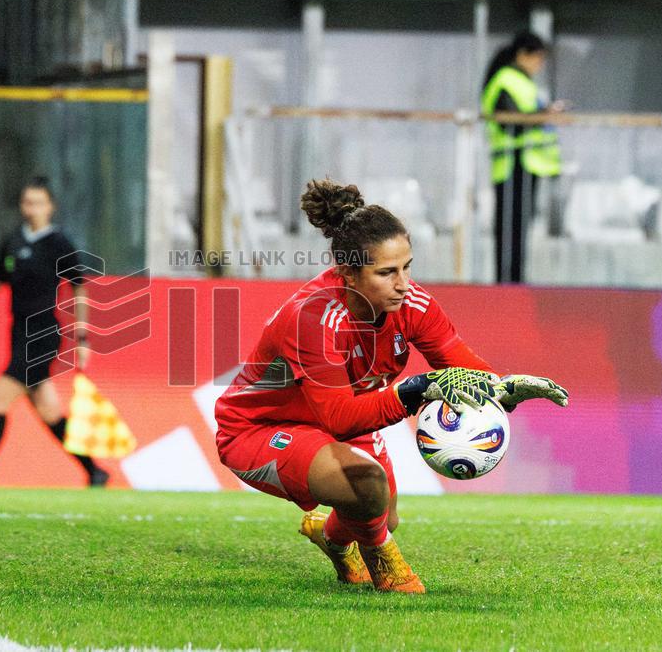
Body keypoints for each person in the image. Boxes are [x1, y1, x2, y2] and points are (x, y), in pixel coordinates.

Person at [214, 179, 568, 593]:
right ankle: (387, 565)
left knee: (383, 512)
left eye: (407, 267)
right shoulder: (313, 317)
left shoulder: (412, 304)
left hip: (341, 417)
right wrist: (415, 390)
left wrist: (503, 391)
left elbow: (461, 367)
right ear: (348, 274)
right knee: (366, 485)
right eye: (386, 273)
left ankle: (331, 538)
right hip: (259, 428)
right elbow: (339, 418)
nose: (403, 284)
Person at [0, 178, 109, 487]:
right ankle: (95, 471)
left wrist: (83, 338)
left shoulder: (59, 243)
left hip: (42, 335)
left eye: (39, 203)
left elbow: (79, 289)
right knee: (49, 412)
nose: (32, 209)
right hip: (19, 333)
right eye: (28, 203)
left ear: (50, 207)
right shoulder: (13, 241)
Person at [482, 31, 564, 283]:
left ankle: (515, 280)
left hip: (527, 165)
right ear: (522, 55)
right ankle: (507, 282)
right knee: (510, 229)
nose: (540, 64)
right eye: (538, 57)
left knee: (519, 229)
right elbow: (511, 119)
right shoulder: (507, 80)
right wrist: (543, 115)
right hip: (513, 163)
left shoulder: (523, 82)